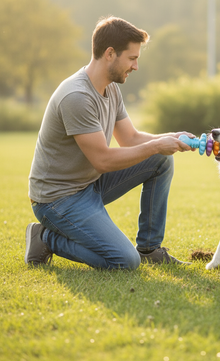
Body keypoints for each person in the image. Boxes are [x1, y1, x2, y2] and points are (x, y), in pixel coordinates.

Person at [25, 16, 194, 269]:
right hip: (58, 199)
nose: (135, 66)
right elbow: (102, 160)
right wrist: (157, 145)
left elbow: (130, 139)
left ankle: (149, 249)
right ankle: (45, 238)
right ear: (110, 53)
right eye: (132, 58)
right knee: (124, 261)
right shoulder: (77, 96)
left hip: (88, 184)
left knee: (160, 159)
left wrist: (170, 139)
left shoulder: (111, 88)